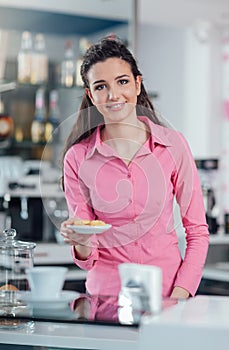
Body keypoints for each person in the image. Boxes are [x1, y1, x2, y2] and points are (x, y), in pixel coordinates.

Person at [60, 37, 209, 300]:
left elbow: (197, 232)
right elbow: (87, 260)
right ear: (90, 95)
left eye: (123, 81)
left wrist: (179, 297)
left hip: (168, 296)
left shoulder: (173, 145)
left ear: (138, 83)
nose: (113, 95)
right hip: (105, 301)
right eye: (101, 86)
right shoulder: (78, 158)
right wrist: (79, 238)